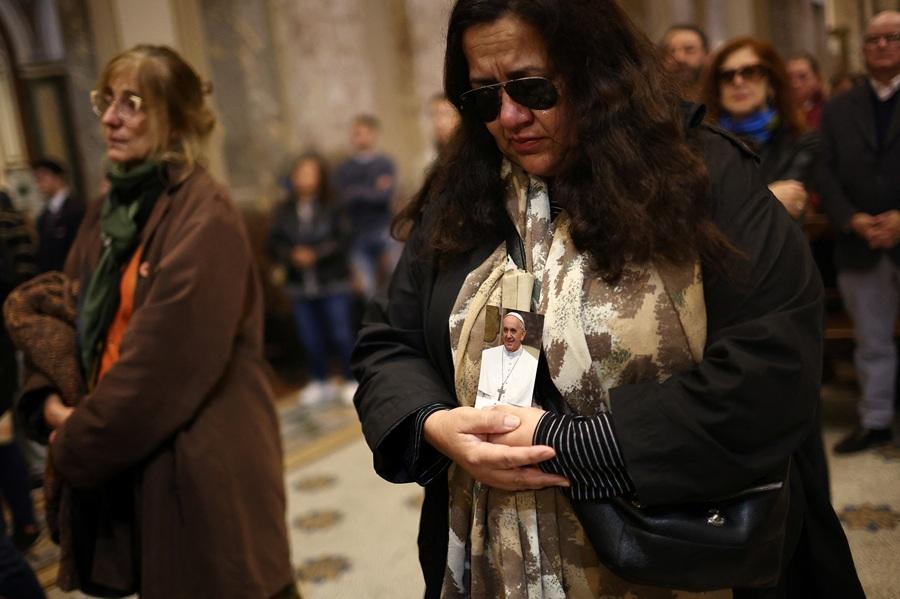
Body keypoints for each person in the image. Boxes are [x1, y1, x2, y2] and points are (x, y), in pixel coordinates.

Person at [353, 1, 864, 597]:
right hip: (496, 561)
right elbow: (389, 341)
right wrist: (434, 424)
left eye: (533, 87)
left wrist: (575, 446)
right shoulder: (461, 192)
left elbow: (774, 366)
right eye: (485, 97)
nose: (510, 116)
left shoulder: (703, 174)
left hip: (677, 554)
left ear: (595, 70)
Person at [8, 45, 295, 598]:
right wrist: (47, 398)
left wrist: (73, 439)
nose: (111, 119)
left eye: (132, 104)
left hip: (200, 458)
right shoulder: (110, 207)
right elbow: (66, 312)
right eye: (106, 101)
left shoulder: (205, 213)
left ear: (177, 120)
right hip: (130, 444)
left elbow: (161, 370)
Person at [818, 10, 900, 454]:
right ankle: (876, 420)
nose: (882, 45)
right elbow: (824, 171)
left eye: (892, 37)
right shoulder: (839, 107)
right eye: (873, 39)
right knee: (871, 342)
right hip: (859, 241)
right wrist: (850, 218)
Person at [268, 152, 357, 406]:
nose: (304, 178)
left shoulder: (333, 205)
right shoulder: (284, 210)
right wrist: (291, 255)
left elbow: (344, 238)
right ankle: (320, 380)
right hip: (299, 284)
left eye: (310, 173)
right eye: (300, 173)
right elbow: (273, 243)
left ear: (320, 177)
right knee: (310, 337)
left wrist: (316, 255)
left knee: (341, 333)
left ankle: (350, 378)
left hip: (332, 280)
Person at [703, 37, 817, 221]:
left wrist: (729, 204)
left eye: (750, 72)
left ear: (771, 82)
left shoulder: (800, 140)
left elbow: (790, 202)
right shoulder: (701, 142)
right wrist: (769, 196)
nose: (738, 81)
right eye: (727, 76)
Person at [334, 114, 398, 298]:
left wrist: (357, 191)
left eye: (364, 133)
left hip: (384, 230)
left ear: (374, 134)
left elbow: (384, 196)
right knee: (367, 291)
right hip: (358, 234)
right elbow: (343, 199)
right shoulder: (345, 168)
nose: (360, 138)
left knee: (397, 279)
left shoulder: (385, 163)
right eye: (356, 133)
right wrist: (372, 190)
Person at [31, 159, 84, 274]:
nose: (39, 184)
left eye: (43, 178)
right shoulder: (43, 217)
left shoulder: (76, 209)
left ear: (58, 177)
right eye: (37, 179)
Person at [475, 312, 539, 407]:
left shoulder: (533, 365)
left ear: (522, 335)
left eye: (513, 331)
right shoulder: (487, 355)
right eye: (505, 330)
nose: (508, 336)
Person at [661, 24, 709, 101]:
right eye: (671, 51)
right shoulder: (652, 103)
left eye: (689, 49)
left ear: (706, 55)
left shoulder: (721, 100)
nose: (679, 58)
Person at [787, 52, 827, 129]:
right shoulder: (779, 111)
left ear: (817, 79)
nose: (795, 84)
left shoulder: (827, 110)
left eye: (802, 77)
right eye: (789, 78)